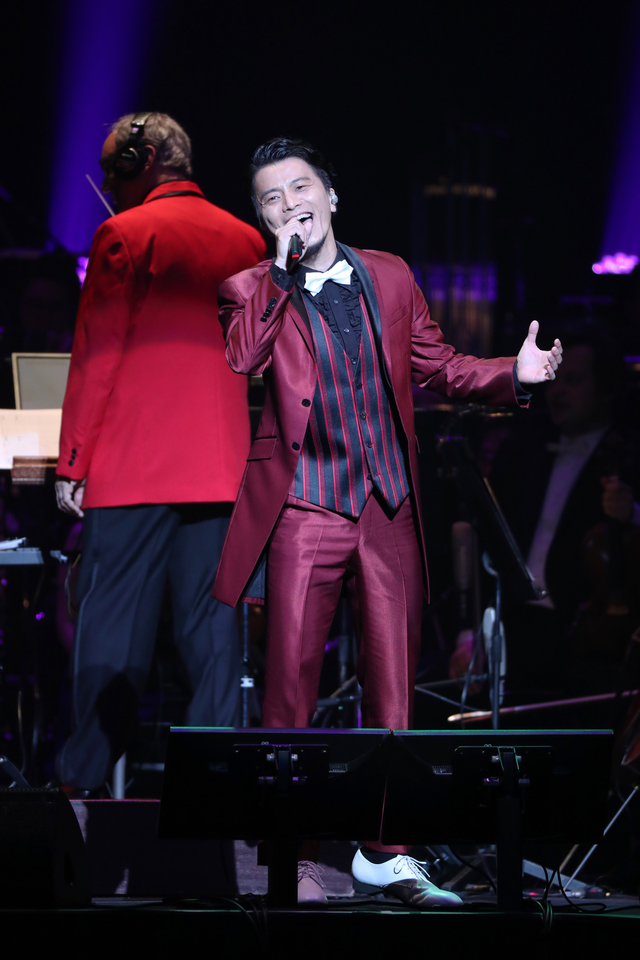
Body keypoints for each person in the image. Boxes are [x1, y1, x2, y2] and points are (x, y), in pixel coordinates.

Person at [212, 137, 562, 907]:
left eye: (300, 188)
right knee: (289, 691)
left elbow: (439, 366)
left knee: (394, 691)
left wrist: (514, 373)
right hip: (305, 505)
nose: (288, 205)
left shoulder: (391, 275)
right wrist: (281, 274)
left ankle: (387, 851)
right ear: (262, 218)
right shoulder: (248, 288)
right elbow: (244, 358)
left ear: (331, 196)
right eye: (271, 199)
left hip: (389, 505)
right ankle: (290, 856)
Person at [54, 112, 266, 793]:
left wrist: (73, 461)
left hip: (134, 471)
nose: (108, 184)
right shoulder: (246, 239)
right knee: (213, 641)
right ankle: (212, 795)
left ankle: (78, 791)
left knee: (113, 636)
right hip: (221, 470)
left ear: (140, 161)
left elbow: (98, 355)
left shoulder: (122, 235)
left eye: (112, 169)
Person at [487, 330, 640, 700]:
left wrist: (633, 513)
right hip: (518, 621)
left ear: (605, 389)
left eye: (573, 381)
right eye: (554, 380)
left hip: (585, 633)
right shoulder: (524, 452)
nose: (557, 392)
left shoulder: (629, 457)